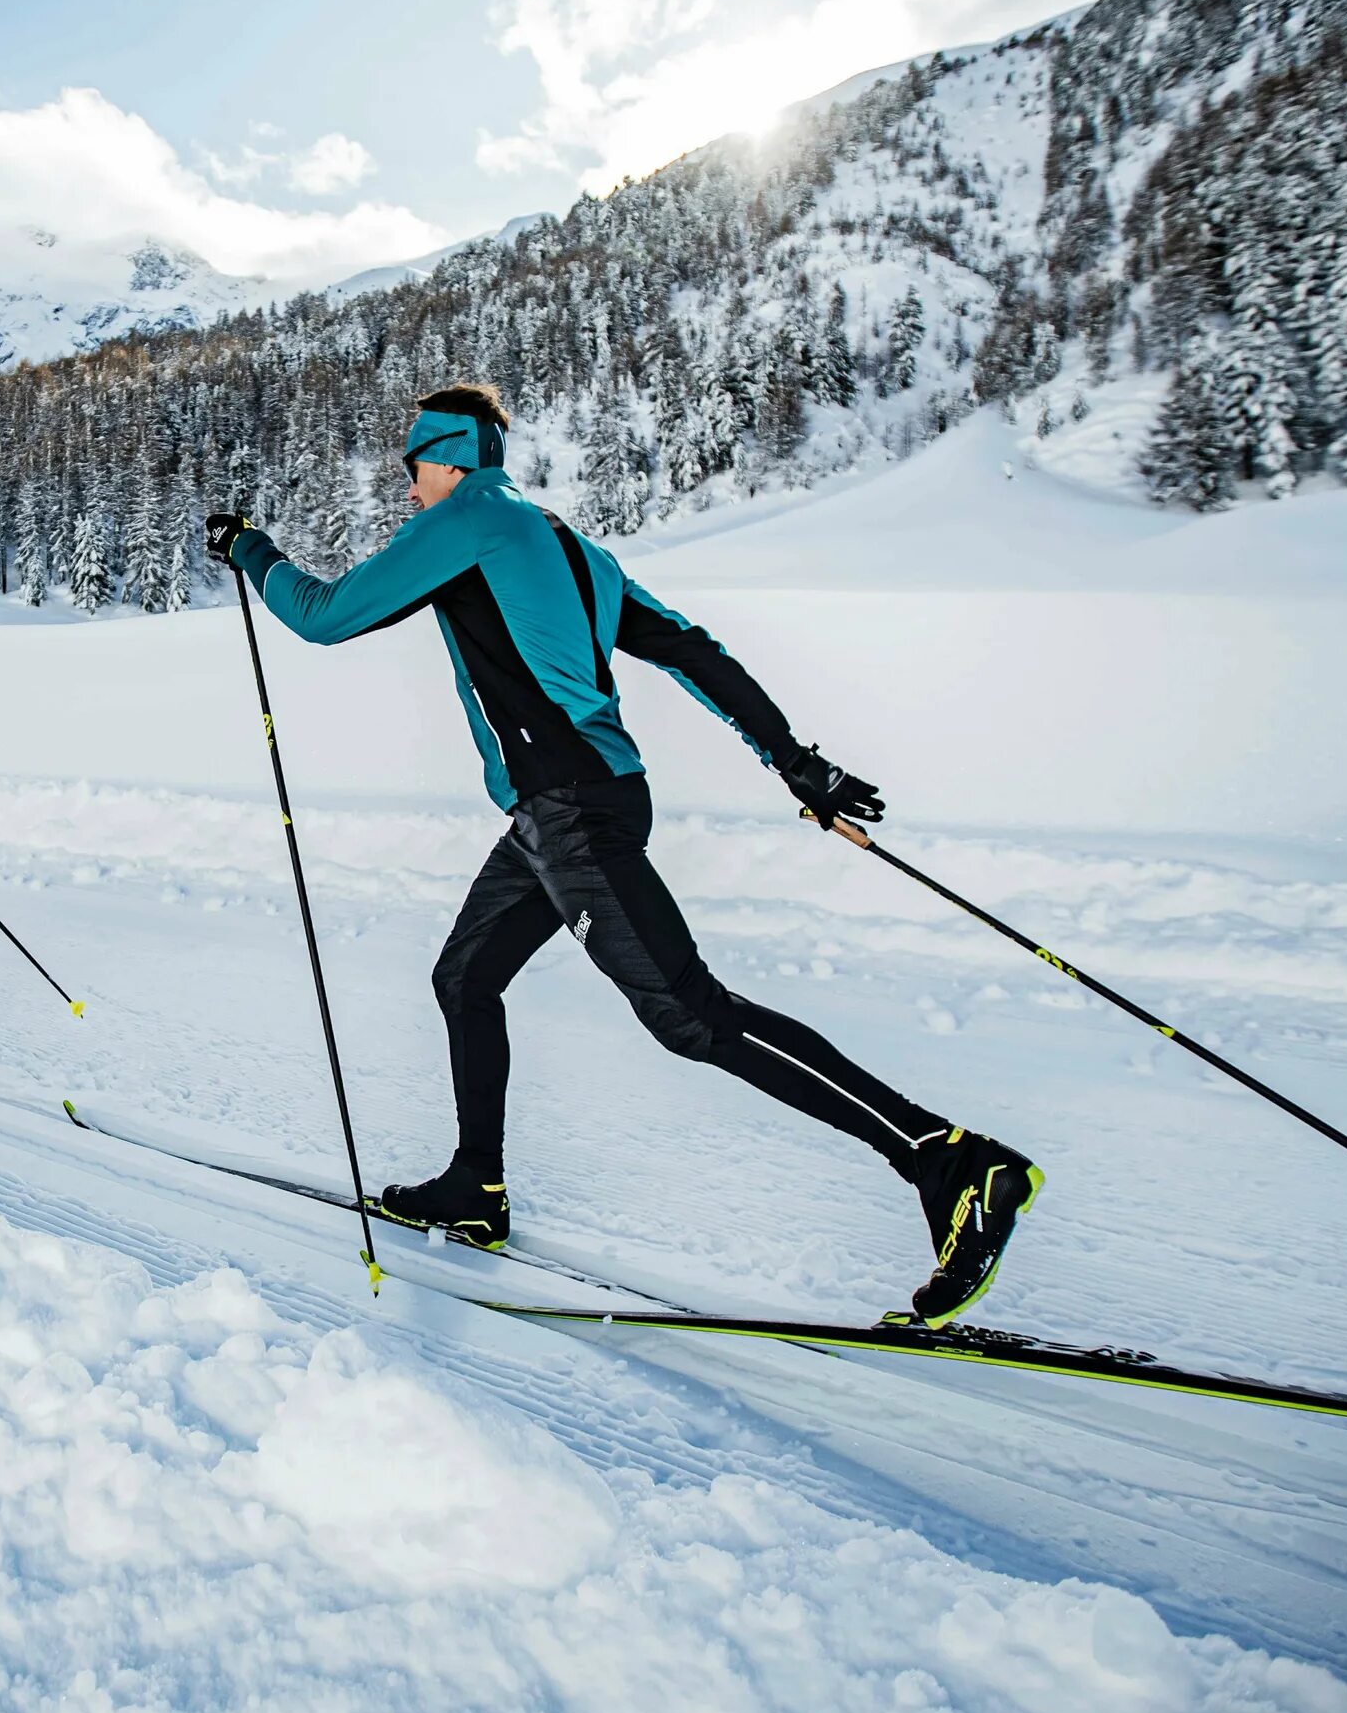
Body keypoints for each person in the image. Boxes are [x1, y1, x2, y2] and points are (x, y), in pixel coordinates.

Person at [206, 385, 1043, 1328]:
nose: (408, 493)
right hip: (560, 812)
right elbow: (693, 652)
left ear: (445, 457)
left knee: (697, 1020)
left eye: (411, 472)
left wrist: (250, 549)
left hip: (572, 816)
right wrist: (797, 765)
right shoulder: (571, 546)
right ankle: (476, 1189)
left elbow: (323, 617)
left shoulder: (469, 518)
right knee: (465, 978)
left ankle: (949, 1160)